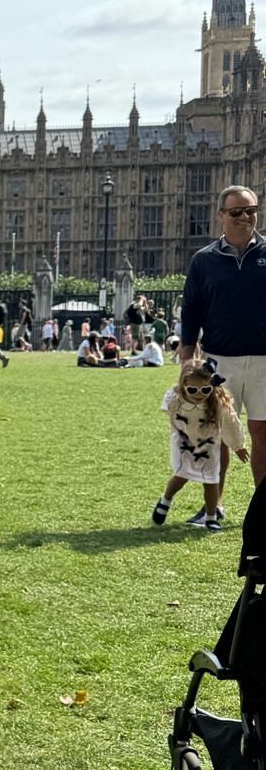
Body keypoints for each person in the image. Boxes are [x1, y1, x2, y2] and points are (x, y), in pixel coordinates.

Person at [180, 184, 266, 497]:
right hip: (219, 359)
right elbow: (191, 309)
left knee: (262, 432)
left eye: (251, 210)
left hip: (264, 360)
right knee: (217, 435)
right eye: (237, 212)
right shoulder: (203, 260)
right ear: (221, 216)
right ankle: (212, 507)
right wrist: (187, 351)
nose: (246, 217)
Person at [153, 360, 247, 530]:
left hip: (208, 445)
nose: (198, 394)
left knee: (211, 481)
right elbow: (168, 409)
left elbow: (231, 423)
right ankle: (165, 500)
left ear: (212, 386)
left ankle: (210, 517)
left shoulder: (218, 403)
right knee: (181, 476)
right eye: (192, 390)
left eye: (205, 390)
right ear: (184, 385)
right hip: (185, 443)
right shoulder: (177, 399)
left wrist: (238, 446)